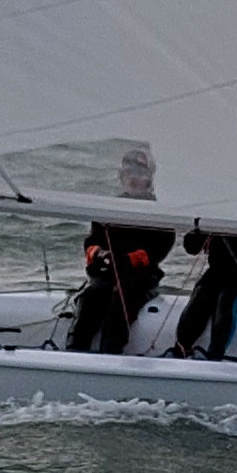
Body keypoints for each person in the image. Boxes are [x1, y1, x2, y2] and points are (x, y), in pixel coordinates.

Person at [64, 145, 174, 353]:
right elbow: (92, 240)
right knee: (91, 296)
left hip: (141, 277)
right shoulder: (111, 207)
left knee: (121, 296)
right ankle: (75, 349)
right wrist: (98, 254)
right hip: (109, 272)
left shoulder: (158, 210)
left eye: (140, 173)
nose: (133, 178)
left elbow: (161, 246)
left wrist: (128, 260)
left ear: (150, 179)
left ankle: (111, 349)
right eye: (128, 172)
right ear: (121, 177)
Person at [170, 228, 237, 360]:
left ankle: (215, 355)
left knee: (227, 298)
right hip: (218, 274)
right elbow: (191, 247)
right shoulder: (216, 220)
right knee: (201, 294)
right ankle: (181, 349)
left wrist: (235, 234)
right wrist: (205, 232)